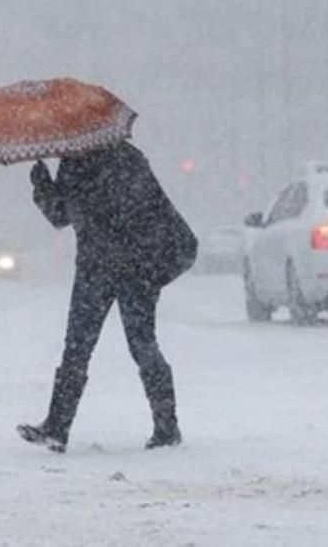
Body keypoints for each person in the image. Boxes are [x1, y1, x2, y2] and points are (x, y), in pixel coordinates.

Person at [18, 141, 198, 453]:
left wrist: (44, 188)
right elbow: (147, 206)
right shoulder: (126, 156)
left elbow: (61, 216)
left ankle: (58, 427)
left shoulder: (78, 162)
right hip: (132, 267)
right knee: (141, 343)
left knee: (79, 347)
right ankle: (166, 427)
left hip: (102, 268)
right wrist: (45, 185)